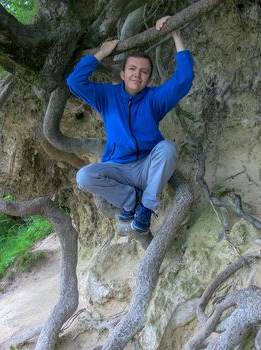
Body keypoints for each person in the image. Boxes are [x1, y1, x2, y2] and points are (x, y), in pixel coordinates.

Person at [66, 15, 194, 233]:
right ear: (123, 74)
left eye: (144, 71)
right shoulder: (107, 96)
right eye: (133, 69)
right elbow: (74, 82)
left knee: (168, 149)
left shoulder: (155, 99)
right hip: (118, 168)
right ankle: (131, 200)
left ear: (149, 79)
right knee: (84, 176)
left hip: (147, 166)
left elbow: (183, 79)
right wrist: (101, 54)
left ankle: (146, 207)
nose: (138, 74)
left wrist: (176, 35)